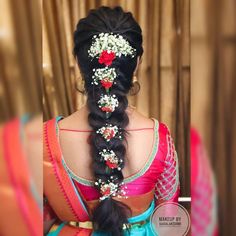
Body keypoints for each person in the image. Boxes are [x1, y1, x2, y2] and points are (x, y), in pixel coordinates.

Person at [43, 6, 179, 236]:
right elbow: (169, 219)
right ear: (136, 63)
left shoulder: (45, 140)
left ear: (78, 61)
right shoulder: (160, 138)